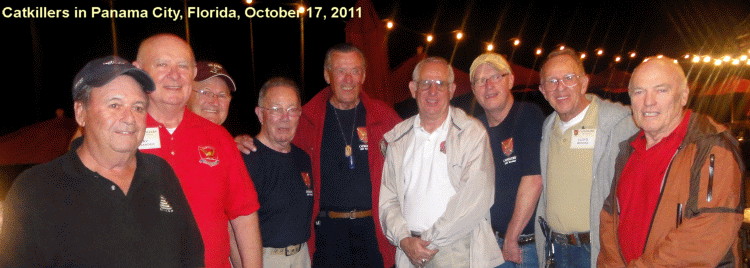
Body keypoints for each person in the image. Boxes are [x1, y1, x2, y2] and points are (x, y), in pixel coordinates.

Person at [0, 56, 204, 267]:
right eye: (115, 105)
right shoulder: (35, 189)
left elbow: (191, 254)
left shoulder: (160, 172)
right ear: (81, 113)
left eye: (138, 107)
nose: (129, 118)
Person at [237, 43, 401, 268]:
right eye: (340, 71)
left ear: (363, 75)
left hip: (372, 231)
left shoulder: (385, 117)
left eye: (355, 71)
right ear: (327, 75)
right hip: (326, 234)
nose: (348, 79)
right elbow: (273, 142)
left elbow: (413, 155)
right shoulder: (306, 118)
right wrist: (234, 143)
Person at [598, 57, 744, 266]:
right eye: (639, 92)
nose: (648, 101)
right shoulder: (628, 151)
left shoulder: (710, 147)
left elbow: (707, 234)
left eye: (661, 90)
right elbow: (609, 221)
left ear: (683, 95)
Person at [133, 33, 262, 268]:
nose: (174, 74)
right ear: (139, 71)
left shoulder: (219, 138)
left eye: (182, 66)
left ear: (192, 74)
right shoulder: (122, 134)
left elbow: (243, 215)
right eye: (162, 64)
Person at [379, 56, 503, 267]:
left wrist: (431, 241)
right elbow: (388, 199)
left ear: (452, 90)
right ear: (413, 88)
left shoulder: (471, 133)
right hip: (409, 251)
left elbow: (475, 198)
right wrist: (404, 239)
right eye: (425, 83)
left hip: (455, 250)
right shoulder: (398, 138)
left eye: (440, 84)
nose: (432, 91)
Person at [533, 48, 638, 267]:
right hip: (556, 247)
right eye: (551, 81)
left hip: (594, 249)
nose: (560, 87)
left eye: (568, 78)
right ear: (543, 90)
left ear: (584, 83)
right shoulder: (548, 125)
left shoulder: (617, 123)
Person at [469, 52, 544, 267]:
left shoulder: (528, 115)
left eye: (495, 77)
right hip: (489, 242)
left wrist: (511, 238)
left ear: (510, 80)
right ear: (474, 90)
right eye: (481, 81)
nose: (488, 85)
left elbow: (533, 179)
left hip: (523, 245)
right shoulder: (476, 128)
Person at [244, 77, 314, 268]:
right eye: (276, 109)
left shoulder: (303, 159)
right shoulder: (245, 158)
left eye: (292, 110)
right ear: (260, 114)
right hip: (264, 259)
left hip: (301, 257)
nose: (285, 117)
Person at [187, 61, 236, 125]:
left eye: (222, 95)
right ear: (186, 96)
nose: (215, 102)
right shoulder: (173, 133)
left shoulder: (224, 135)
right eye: (206, 93)